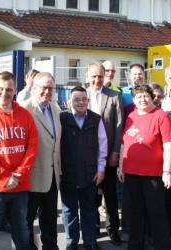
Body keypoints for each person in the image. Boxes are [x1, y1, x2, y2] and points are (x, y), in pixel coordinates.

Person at [0, 71, 38, 250]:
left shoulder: (25, 115)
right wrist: (5, 177)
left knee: (21, 232)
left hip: (20, 185)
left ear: (15, 89)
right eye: (1, 89)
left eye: (9, 89)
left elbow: (32, 146)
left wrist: (18, 174)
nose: (5, 93)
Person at [118, 84, 171, 250]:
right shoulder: (131, 117)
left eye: (145, 96)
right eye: (138, 96)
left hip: (153, 174)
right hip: (131, 173)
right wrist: (121, 167)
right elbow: (123, 144)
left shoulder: (161, 116)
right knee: (135, 212)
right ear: (134, 99)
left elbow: (169, 145)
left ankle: (162, 246)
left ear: (152, 97)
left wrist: (167, 171)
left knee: (156, 213)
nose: (142, 99)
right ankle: (136, 246)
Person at [60, 86, 107, 250]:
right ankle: (71, 241)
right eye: (76, 99)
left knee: (89, 209)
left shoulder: (96, 119)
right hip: (68, 173)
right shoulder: (62, 119)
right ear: (69, 102)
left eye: (83, 99)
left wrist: (101, 169)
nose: (80, 102)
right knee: (69, 210)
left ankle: (90, 241)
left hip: (90, 173)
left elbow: (103, 146)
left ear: (88, 101)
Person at [20, 72, 62, 250]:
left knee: (50, 218)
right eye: (43, 88)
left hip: (53, 174)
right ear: (34, 88)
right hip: (32, 174)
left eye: (51, 88)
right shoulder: (24, 109)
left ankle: (50, 247)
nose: (47, 92)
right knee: (27, 219)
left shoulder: (55, 108)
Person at [86, 62, 124, 245]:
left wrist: (116, 151)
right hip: (86, 157)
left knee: (110, 196)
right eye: (93, 76)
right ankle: (92, 230)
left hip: (109, 154)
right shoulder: (80, 96)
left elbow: (119, 126)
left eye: (100, 76)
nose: (97, 80)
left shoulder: (114, 96)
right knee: (92, 196)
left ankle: (113, 230)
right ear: (87, 77)